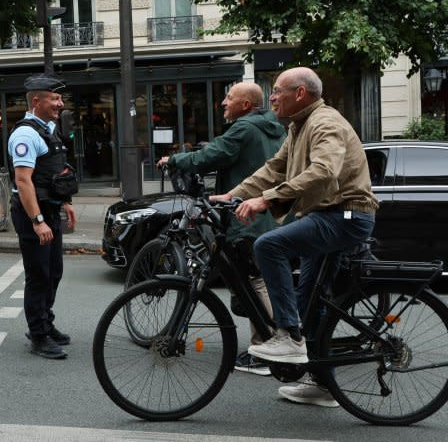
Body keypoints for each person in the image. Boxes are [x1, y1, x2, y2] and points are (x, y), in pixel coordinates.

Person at [213, 67, 378, 407]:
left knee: (268, 244)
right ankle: (322, 383)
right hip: (329, 215)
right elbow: (273, 167)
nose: (271, 97)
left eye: (276, 91)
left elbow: (324, 170)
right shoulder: (299, 125)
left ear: (299, 94)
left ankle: (288, 337)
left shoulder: (324, 123)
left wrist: (267, 200)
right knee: (310, 302)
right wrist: (234, 195)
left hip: (346, 216)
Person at [157, 81, 285, 376]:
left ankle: (269, 347)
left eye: (230, 97)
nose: (224, 102)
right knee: (260, 278)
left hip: (249, 215)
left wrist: (174, 159)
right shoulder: (272, 128)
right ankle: (270, 342)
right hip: (266, 213)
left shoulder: (244, 128)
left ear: (246, 104)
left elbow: (211, 156)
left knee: (256, 280)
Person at [7, 74, 78, 359]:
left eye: (60, 99)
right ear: (36, 101)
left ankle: (45, 322)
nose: (60, 104)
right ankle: (38, 335)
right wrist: (37, 221)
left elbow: (52, 173)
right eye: (55, 99)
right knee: (39, 275)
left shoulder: (47, 129)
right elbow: (23, 181)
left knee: (54, 271)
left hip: (49, 209)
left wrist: (66, 203)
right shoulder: (25, 134)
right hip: (32, 214)